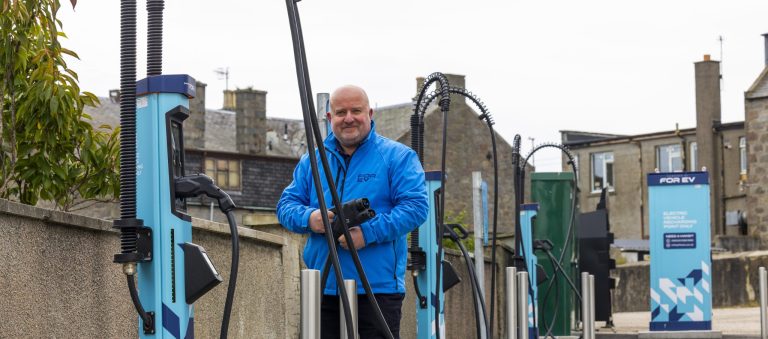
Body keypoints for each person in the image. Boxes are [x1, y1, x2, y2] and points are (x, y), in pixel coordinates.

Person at [277, 85, 428, 338]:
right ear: (329, 118)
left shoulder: (397, 157)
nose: (348, 118)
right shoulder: (313, 161)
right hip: (322, 289)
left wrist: (366, 234)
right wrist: (311, 218)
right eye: (340, 112)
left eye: (356, 111)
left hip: (376, 290)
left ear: (370, 113)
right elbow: (285, 206)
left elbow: (415, 208)